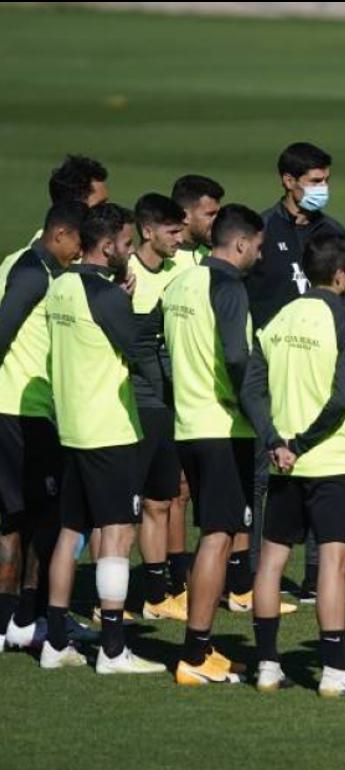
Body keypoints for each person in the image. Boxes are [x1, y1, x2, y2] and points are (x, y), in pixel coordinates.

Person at [242, 233, 345, 696]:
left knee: (271, 564)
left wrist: (275, 441)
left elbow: (251, 391)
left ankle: (266, 666)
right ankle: (335, 671)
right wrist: (300, 443)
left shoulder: (278, 319)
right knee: (333, 566)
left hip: (282, 467)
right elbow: (340, 399)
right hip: (327, 462)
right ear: (339, 274)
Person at [40, 203, 164, 674]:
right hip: (109, 429)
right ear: (107, 245)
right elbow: (137, 347)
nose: (131, 252)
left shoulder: (63, 285)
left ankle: (55, 642)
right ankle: (113, 649)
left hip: (71, 427)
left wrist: (119, 299)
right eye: (128, 244)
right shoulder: (108, 297)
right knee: (117, 533)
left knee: (70, 531)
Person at [165, 203, 266, 685]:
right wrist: (258, 414)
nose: (260, 256)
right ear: (241, 243)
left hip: (188, 421)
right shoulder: (228, 288)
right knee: (218, 537)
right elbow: (236, 357)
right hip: (223, 427)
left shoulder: (181, 282)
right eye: (259, 247)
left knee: (214, 534)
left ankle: (202, 647)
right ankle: (195, 652)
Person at [247, 143, 345, 607]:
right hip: (272, 361)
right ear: (288, 181)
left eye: (325, 180)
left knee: (320, 462)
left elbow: (343, 300)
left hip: (318, 364)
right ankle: (253, 577)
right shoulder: (263, 230)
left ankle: (314, 578)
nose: (321, 189)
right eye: (314, 180)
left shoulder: (333, 231)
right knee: (267, 468)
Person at [0, 201, 87, 651]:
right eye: (77, 242)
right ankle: (20, 619)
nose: (80, 251)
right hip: (23, 411)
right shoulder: (34, 274)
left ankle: (13, 621)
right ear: (59, 236)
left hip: (22, 409)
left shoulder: (28, 264)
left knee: (19, 517)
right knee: (40, 517)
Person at [128, 193, 195, 622]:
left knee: (160, 499)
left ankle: (157, 593)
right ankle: (107, 598)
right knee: (119, 509)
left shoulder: (183, 267)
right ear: (147, 231)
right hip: (129, 405)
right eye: (172, 231)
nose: (179, 238)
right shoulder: (125, 273)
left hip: (167, 404)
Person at [165, 174, 226, 598]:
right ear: (184, 215)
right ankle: (172, 580)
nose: (216, 220)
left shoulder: (209, 257)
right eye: (211, 213)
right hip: (170, 391)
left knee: (195, 490)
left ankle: (211, 580)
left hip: (204, 393)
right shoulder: (164, 259)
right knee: (172, 491)